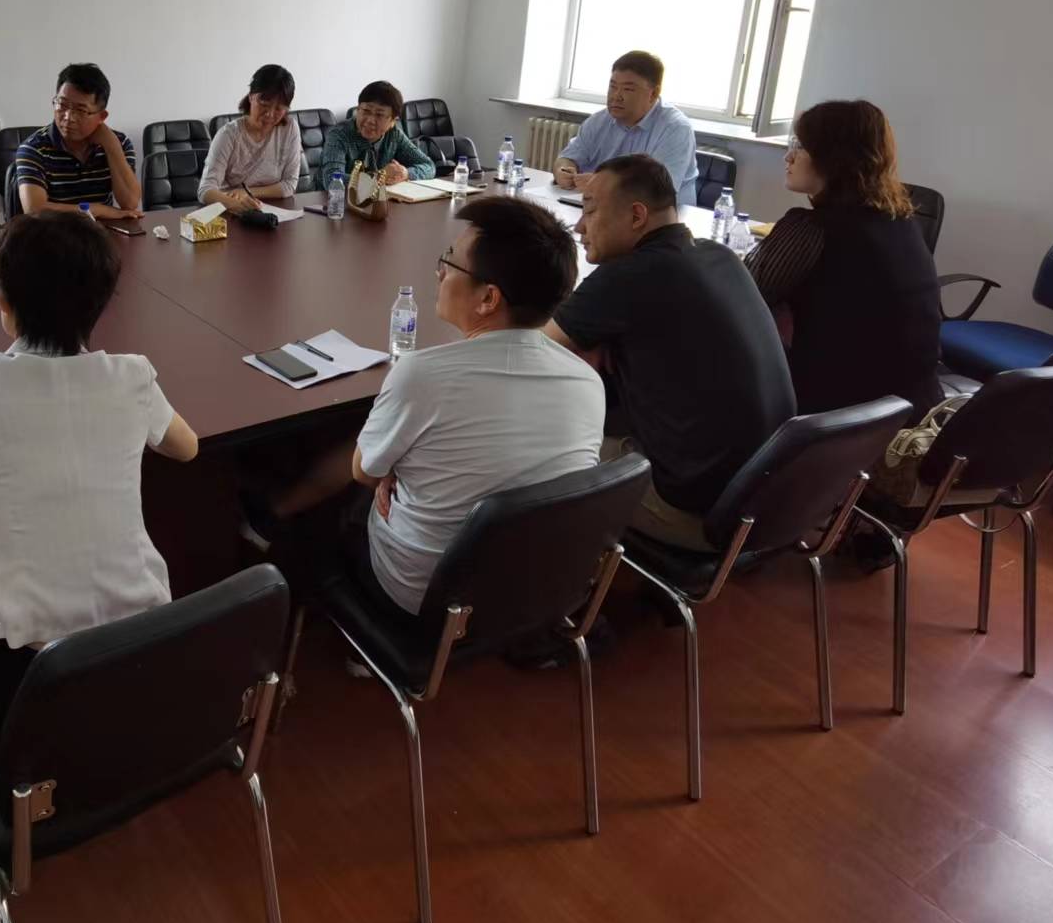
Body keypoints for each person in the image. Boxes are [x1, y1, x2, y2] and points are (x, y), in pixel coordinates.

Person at [0, 210, 197, 713]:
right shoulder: (130, 376)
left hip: (33, 644)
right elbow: (186, 448)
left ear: (4, 304)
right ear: (100, 305)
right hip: (139, 625)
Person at [259, 197, 602, 616]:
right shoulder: (586, 380)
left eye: (450, 262)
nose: (439, 272)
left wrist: (392, 471)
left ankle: (302, 593)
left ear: (488, 298)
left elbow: (364, 472)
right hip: (536, 587)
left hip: (431, 595)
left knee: (337, 509)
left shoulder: (422, 375)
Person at [548, 155, 794, 551]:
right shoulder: (719, 256)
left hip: (698, 517)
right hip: (772, 502)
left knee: (549, 443)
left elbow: (527, 350)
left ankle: (558, 574)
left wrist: (588, 332)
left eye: (590, 211)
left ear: (636, 215)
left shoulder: (629, 276)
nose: (579, 226)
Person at [745, 101, 942, 422]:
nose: (788, 157)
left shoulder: (811, 227)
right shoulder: (901, 221)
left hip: (838, 417)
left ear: (833, 159)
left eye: (800, 146)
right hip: (914, 410)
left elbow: (741, 300)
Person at [554, 51, 699, 200]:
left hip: (661, 211)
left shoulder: (675, 128)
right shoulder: (598, 121)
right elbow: (568, 157)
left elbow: (658, 191)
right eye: (613, 86)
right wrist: (563, 170)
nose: (616, 96)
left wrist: (603, 185)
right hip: (602, 206)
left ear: (653, 93)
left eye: (628, 89)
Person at [14, 63, 142, 219]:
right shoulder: (34, 148)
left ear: (101, 117)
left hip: (102, 231)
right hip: (53, 230)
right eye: (62, 105)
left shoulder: (120, 143)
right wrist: (96, 210)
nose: (68, 117)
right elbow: (34, 210)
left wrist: (111, 145)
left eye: (81, 110)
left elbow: (130, 203)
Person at [199, 64, 306, 211]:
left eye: (278, 109)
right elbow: (205, 190)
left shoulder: (290, 129)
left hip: (274, 212)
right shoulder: (229, 135)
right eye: (264, 104)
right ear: (251, 97)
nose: (269, 114)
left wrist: (247, 193)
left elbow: (289, 185)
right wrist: (237, 205)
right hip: (232, 212)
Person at [319, 81, 437, 185]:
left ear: (393, 121)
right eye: (366, 111)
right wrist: (379, 177)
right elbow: (332, 179)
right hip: (327, 200)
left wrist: (405, 173)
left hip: (377, 200)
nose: (370, 120)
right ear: (358, 110)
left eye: (379, 115)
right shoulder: (339, 135)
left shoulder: (394, 135)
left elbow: (428, 166)